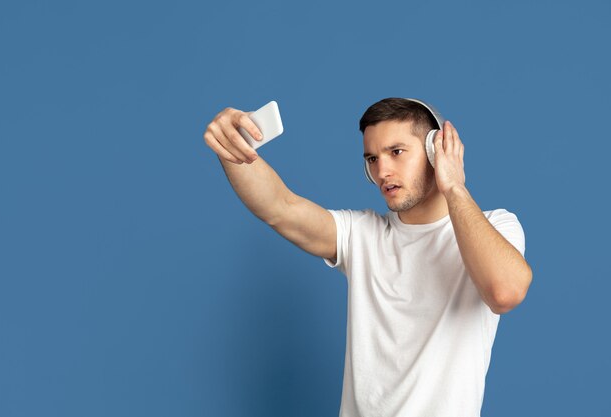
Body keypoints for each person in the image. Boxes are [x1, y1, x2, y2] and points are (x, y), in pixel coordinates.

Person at [203, 97, 533, 417]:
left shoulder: (495, 225)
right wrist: (231, 149)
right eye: (372, 158)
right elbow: (280, 208)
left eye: (396, 152)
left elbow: (504, 292)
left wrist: (455, 187)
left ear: (436, 150)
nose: (382, 170)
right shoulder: (363, 234)